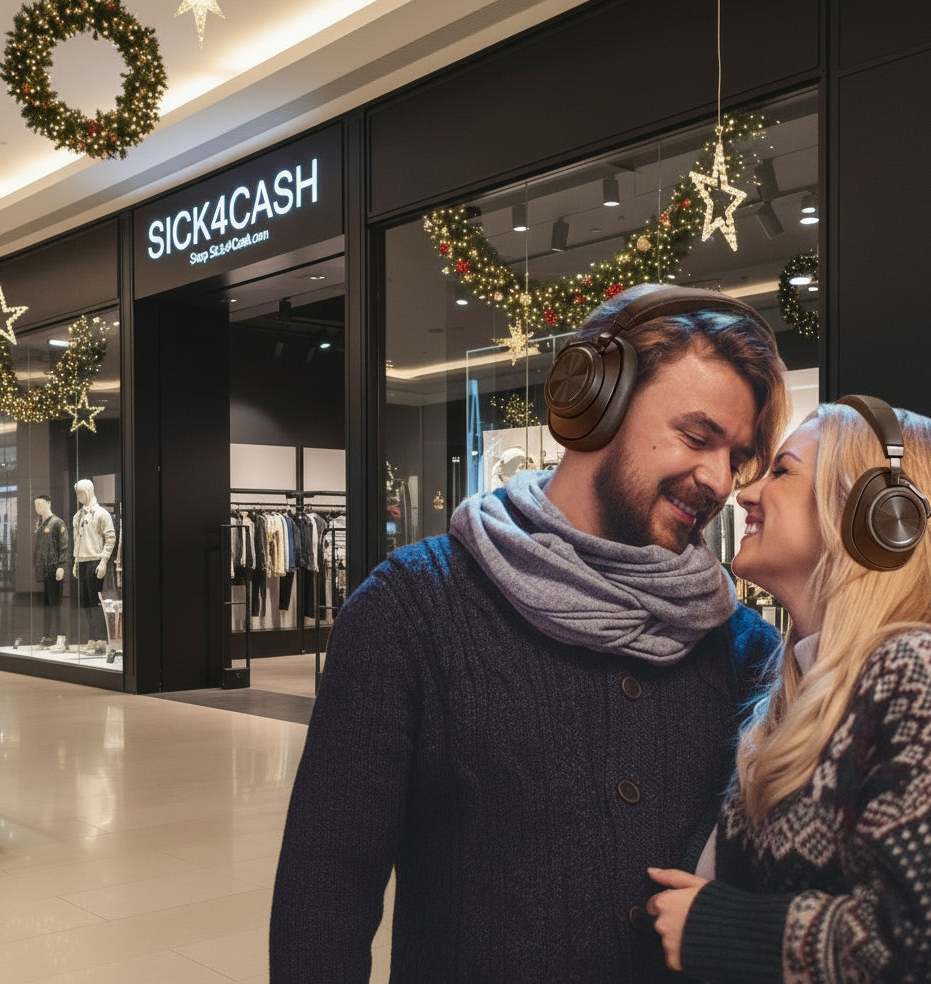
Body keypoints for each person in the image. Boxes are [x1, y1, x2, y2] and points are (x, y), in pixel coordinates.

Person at [270, 283, 789, 983]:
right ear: (594, 405)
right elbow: (325, 895)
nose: (719, 479)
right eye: (698, 437)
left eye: (738, 455)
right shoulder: (413, 611)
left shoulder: (745, 650)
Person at [647, 396, 931, 983]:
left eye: (782, 471)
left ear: (873, 512)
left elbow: (914, 942)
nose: (743, 493)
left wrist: (717, 927)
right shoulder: (798, 686)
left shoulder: (911, 671)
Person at [67, 478, 116, 655]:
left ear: (89, 491)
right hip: (81, 561)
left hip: (95, 561)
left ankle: (102, 639)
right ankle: (93, 637)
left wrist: (103, 561)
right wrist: (75, 561)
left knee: (96, 603)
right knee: (86, 603)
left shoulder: (101, 513)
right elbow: (76, 540)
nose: (80, 496)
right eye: (78, 493)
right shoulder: (77, 516)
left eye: (82, 492)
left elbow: (110, 538)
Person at [33, 494, 69, 648]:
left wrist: (62, 566)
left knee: (56, 603)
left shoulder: (57, 523)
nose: (37, 507)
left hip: (54, 569)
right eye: (35, 505)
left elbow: (64, 546)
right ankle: (47, 636)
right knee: (47, 604)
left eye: (40, 504)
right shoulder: (41, 524)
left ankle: (61, 637)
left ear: (48, 503)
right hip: (44, 569)